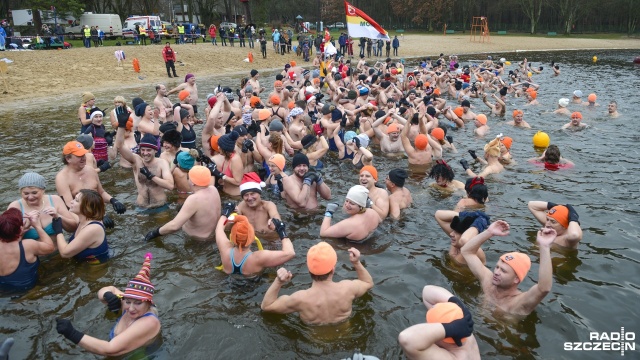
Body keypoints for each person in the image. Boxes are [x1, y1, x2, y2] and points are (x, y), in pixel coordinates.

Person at [56, 253, 161, 356]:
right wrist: (107, 295)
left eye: (138, 303)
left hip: (140, 355)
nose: (131, 308)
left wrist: (71, 333)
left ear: (148, 303)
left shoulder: (149, 322)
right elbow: (108, 289)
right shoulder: (128, 302)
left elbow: (110, 349)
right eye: (128, 301)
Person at [261, 242, 374, 325]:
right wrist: (356, 262)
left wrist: (278, 281)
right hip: (345, 335)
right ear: (333, 269)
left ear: (309, 270)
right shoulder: (348, 288)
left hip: (316, 342)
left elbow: (267, 306)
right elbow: (368, 282)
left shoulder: (300, 299)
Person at [461, 220, 555, 315]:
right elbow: (467, 251)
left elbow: (544, 288)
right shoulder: (488, 282)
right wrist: (489, 232)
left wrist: (544, 246)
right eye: (497, 267)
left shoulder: (519, 302)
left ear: (516, 279)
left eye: (503, 271)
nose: (496, 272)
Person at [114, 108, 174, 210]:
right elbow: (119, 146)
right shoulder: (136, 160)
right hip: (141, 207)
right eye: (143, 150)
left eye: (149, 150)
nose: (145, 153)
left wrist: (151, 176)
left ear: (155, 151)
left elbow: (170, 186)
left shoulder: (161, 163)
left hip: (159, 206)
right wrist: (121, 126)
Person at [55, 141, 126, 227]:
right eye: (79, 156)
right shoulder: (62, 178)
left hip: (101, 214)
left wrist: (114, 201)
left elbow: (101, 192)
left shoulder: (91, 170)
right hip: (82, 222)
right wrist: (98, 216)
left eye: (83, 155)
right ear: (68, 159)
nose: (83, 158)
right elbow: (70, 206)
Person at [398, 286, 479, 359]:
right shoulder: (467, 333)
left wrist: (450, 328)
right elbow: (427, 291)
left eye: (431, 325)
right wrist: (457, 302)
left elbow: (406, 339)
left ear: (443, 337)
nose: (427, 325)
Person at [145, 166, 221, 240]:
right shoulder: (213, 189)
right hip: (213, 235)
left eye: (189, 178)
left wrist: (155, 233)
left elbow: (174, 226)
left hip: (196, 240)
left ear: (193, 182)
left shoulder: (194, 199)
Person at [214, 213, 295, 277]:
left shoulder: (225, 249)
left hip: (228, 283)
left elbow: (219, 228)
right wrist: (281, 231)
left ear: (232, 236)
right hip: (252, 287)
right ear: (252, 238)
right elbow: (290, 253)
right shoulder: (258, 258)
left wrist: (226, 213)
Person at [0, 208, 56, 292]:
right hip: (27, 291)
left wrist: (20, 232)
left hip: (3, 289)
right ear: (20, 228)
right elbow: (50, 248)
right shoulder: (28, 246)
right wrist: (37, 226)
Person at [8, 172, 78, 238]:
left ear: (43, 190)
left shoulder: (55, 200)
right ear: (21, 192)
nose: (30, 197)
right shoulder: (15, 207)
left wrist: (58, 216)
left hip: (58, 249)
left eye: (34, 193)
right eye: (26, 193)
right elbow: (9, 240)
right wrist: (26, 227)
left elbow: (73, 228)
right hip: (31, 250)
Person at [55, 190, 110, 263]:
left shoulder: (93, 229)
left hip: (94, 269)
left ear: (86, 207)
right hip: (82, 264)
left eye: (76, 200)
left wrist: (58, 231)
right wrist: (57, 215)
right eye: (74, 198)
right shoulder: (84, 220)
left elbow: (65, 253)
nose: (71, 201)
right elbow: (70, 215)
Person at [234, 172, 282, 241]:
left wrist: (275, 222)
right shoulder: (242, 206)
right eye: (246, 195)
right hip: (251, 243)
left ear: (259, 194)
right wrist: (231, 215)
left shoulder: (268, 206)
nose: (249, 198)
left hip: (271, 241)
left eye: (253, 194)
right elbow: (227, 227)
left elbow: (276, 216)